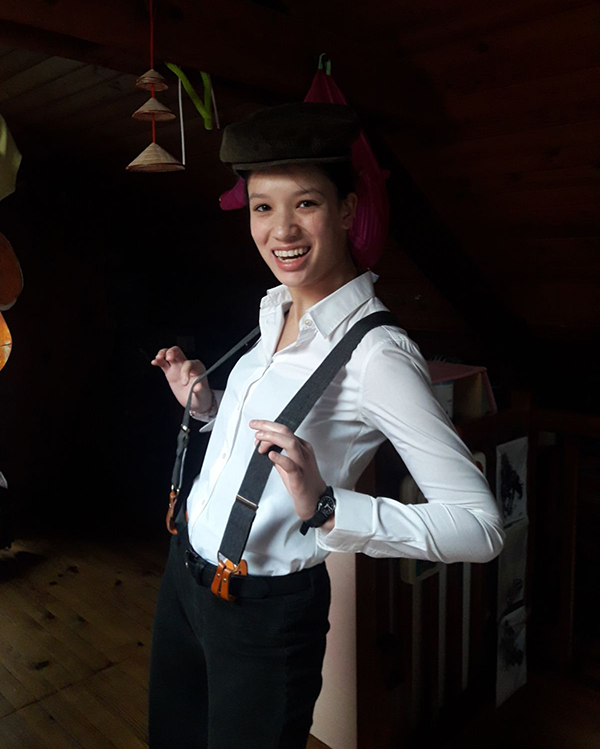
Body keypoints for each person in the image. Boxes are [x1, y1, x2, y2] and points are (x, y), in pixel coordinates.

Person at [148, 102, 504, 749]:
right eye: (263, 207)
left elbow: (480, 527)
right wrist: (207, 406)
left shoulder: (380, 356)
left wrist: (329, 506)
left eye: (305, 203)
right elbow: (273, 435)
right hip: (184, 578)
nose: (281, 229)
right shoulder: (275, 309)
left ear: (346, 209)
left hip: (261, 616)